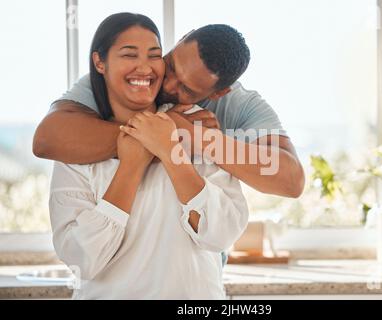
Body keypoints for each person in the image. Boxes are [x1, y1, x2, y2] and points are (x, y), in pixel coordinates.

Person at [49, 13, 248, 299]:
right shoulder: (76, 142)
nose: (145, 68)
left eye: (154, 55)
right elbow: (81, 259)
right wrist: (131, 167)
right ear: (100, 63)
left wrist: (171, 153)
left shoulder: (198, 127)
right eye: (129, 54)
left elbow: (222, 234)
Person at [33, 22, 305, 200]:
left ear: (219, 93)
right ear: (182, 39)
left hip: (197, 267)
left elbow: (290, 180)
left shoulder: (240, 105)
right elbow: (48, 139)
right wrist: (162, 129)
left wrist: (196, 137)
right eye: (171, 65)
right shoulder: (131, 78)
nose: (167, 83)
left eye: (186, 89)